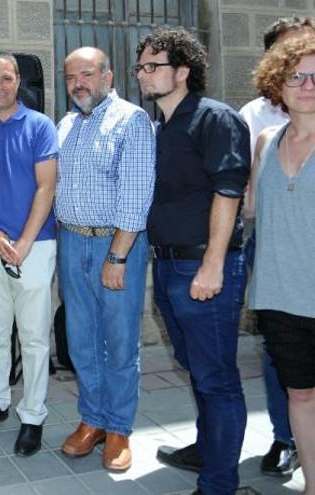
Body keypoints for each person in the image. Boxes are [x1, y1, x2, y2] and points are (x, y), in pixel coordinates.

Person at [138, 29, 251, 494]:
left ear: (183, 71)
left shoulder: (215, 119)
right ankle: (209, 448)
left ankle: (220, 483)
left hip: (203, 268)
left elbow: (229, 192)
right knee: (195, 365)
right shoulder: (164, 125)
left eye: (153, 65)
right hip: (168, 267)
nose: (144, 74)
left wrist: (213, 265)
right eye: (141, 67)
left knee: (217, 377)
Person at [54, 47, 155, 473]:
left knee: (118, 341)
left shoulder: (131, 120)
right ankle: (92, 419)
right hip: (72, 242)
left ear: (108, 76)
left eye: (88, 74)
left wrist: (117, 255)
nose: (80, 82)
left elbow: (136, 195)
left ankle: (118, 427)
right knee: (80, 340)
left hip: (116, 246)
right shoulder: (66, 124)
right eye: (72, 76)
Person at [237, 16, 313, 478]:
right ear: (276, 83)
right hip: (279, 296)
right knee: (300, 394)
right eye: (295, 75)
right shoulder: (265, 141)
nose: (305, 85)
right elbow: (248, 209)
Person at [0, 52, 58, 457]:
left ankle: (33, 415)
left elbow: (46, 187)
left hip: (36, 245)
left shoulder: (41, 126)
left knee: (34, 337)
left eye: (6, 79)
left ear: (18, 80)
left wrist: (23, 241)